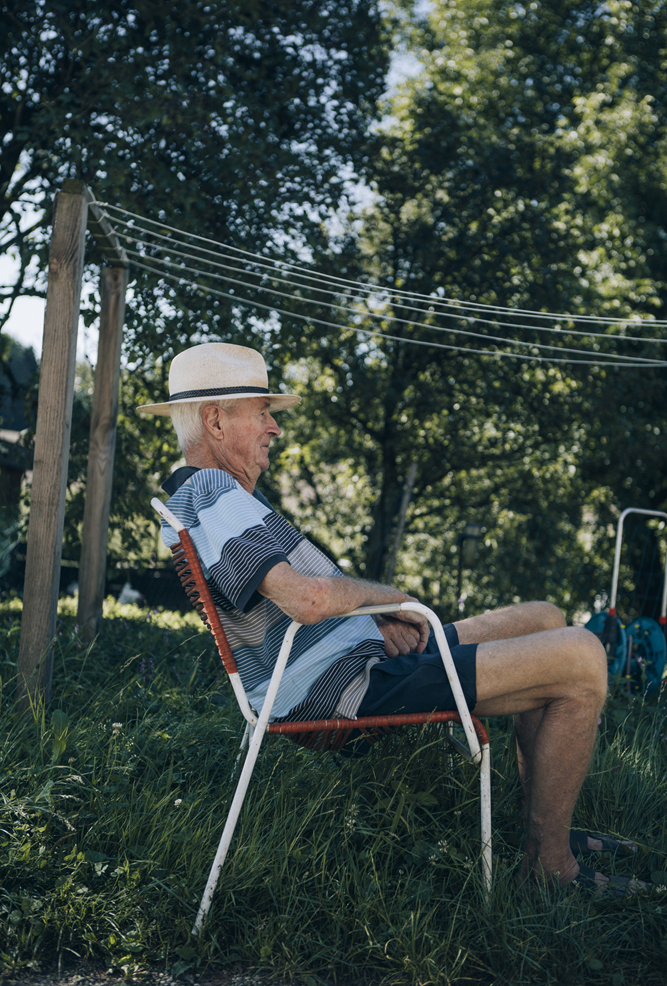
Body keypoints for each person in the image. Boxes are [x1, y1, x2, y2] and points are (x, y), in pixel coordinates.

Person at [140, 342, 642, 895]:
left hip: (353, 655)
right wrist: (391, 600)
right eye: (262, 412)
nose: (273, 429)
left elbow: (297, 607)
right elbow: (305, 599)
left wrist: (370, 619)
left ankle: (548, 827)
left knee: (546, 616)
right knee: (584, 658)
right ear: (215, 420)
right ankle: (549, 867)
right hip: (349, 685)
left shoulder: (200, 493)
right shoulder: (213, 491)